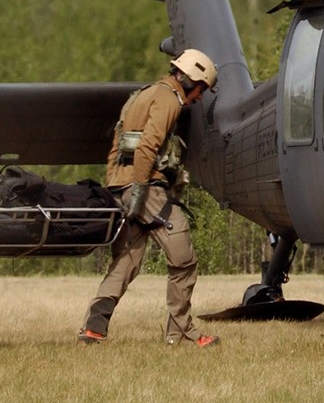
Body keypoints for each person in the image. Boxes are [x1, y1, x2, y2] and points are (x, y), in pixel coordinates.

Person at [79, 49, 220, 348]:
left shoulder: (142, 95)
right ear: (191, 80)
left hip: (121, 185)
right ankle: (181, 333)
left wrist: (118, 187)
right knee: (183, 258)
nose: (199, 97)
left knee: (126, 261)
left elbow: (119, 144)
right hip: (142, 188)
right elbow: (147, 147)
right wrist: (140, 191)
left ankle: (93, 328)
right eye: (202, 89)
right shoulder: (168, 99)